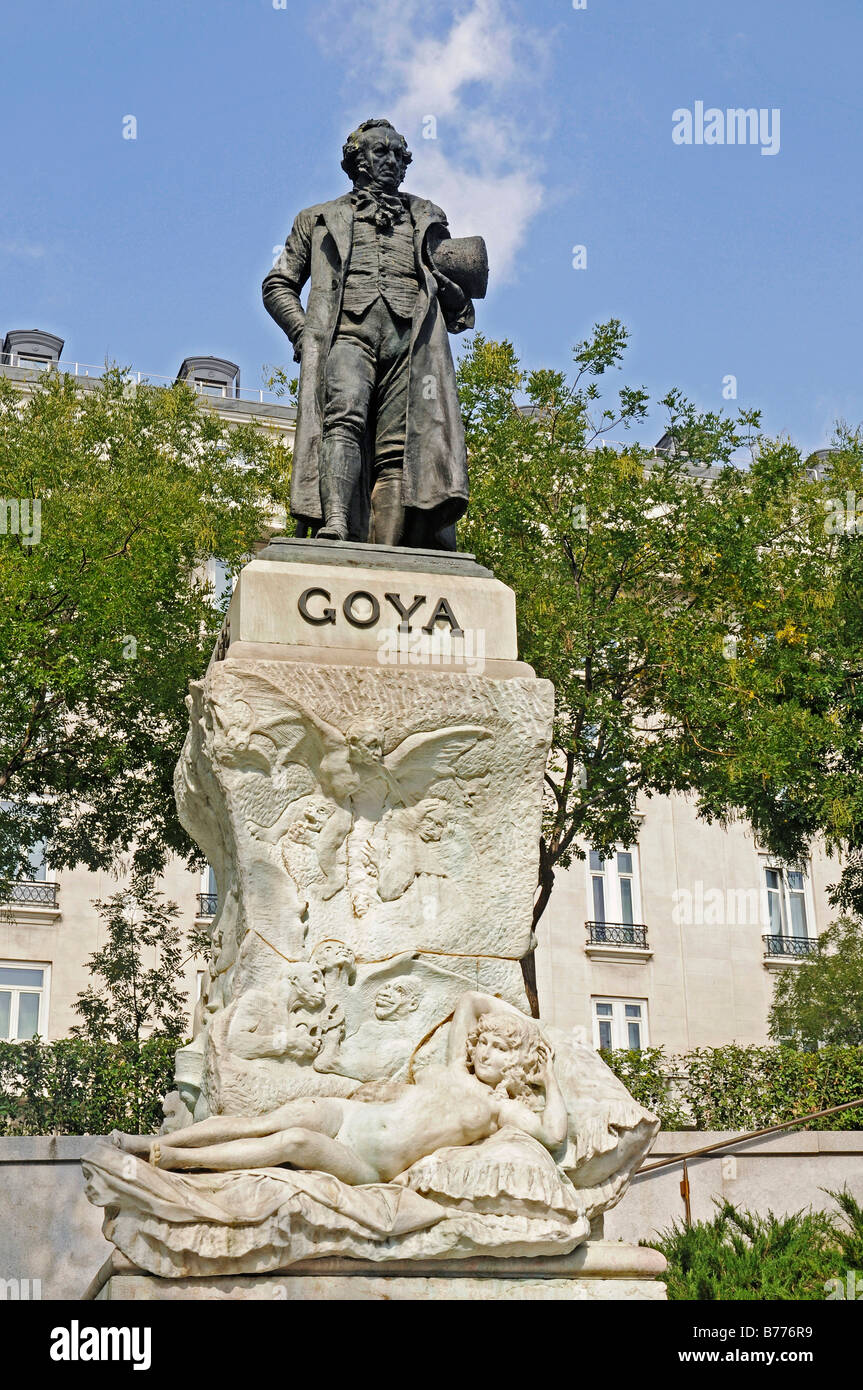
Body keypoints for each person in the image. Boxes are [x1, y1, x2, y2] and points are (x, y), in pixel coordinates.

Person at [262, 118, 476, 549]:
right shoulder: (317, 218)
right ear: (357, 159)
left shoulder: (427, 218)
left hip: (410, 345)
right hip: (347, 335)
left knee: (400, 449)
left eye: (400, 155)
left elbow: (451, 291)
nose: (393, 162)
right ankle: (336, 524)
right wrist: (303, 333)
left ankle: (390, 547)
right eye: (382, 153)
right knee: (343, 420)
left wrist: (456, 291)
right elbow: (278, 284)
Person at [115, 993, 567, 1186]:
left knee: (291, 1142)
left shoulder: (498, 1110)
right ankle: (155, 1141)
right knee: (266, 1121)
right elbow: (469, 1001)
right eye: (483, 1043)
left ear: (517, 1064)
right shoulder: (453, 1067)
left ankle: (177, 1159)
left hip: (370, 1161)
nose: (485, 1053)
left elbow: (552, 1136)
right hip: (350, 1116)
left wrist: (548, 1078)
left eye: (500, 1050)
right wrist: (529, 1026)